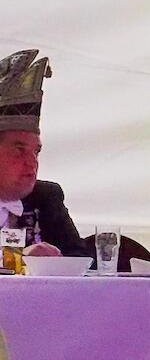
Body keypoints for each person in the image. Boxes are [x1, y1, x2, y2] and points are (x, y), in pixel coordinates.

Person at [0, 49, 86, 259]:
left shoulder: (46, 197)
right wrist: (20, 262)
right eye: (19, 151)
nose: (32, 163)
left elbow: (82, 258)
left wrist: (55, 261)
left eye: (36, 152)